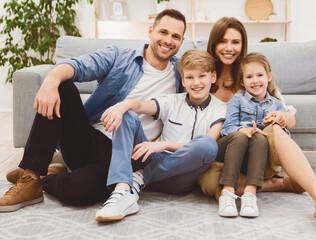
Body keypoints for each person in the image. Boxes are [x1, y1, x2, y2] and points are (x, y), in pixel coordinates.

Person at [0, 9, 187, 212]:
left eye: (175, 36)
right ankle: (31, 176)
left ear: (182, 40)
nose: (168, 40)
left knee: (79, 191)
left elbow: (209, 86)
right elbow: (78, 66)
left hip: (128, 155)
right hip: (90, 139)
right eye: (163, 32)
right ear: (151, 31)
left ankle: (47, 177)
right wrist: (51, 79)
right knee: (63, 87)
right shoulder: (119, 56)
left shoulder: (183, 73)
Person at [198, 17, 316, 220]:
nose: (229, 48)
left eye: (235, 42)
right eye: (222, 41)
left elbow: (289, 117)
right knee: (212, 182)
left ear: (242, 45)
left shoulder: (254, 75)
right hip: (224, 153)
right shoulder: (201, 77)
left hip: (259, 151)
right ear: (213, 43)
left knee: (273, 128)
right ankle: (282, 183)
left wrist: (282, 117)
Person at [94, 49, 227, 222]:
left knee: (208, 145)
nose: (196, 83)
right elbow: (141, 105)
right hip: (154, 159)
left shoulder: (220, 108)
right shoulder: (172, 101)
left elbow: (210, 143)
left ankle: (140, 176)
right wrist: (123, 105)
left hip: (183, 176)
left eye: (202, 76)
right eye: (190, 77)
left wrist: (164, 145)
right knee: (127, 114)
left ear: (213, 77)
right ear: (183, 81)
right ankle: (123, 190)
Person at [218, 52, 288, 218]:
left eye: (260, 75)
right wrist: (243, 130)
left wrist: (274, 125)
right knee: (243, 135)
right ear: (242, 81)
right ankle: (227, 193)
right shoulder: (237, 100)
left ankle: (250, 195)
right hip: (235, 150)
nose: (255, 80)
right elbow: (227, 127)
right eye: (249, 76)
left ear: (268, 77)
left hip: (257, 156)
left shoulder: (277, 105)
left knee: (259, 136)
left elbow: (284, 139)